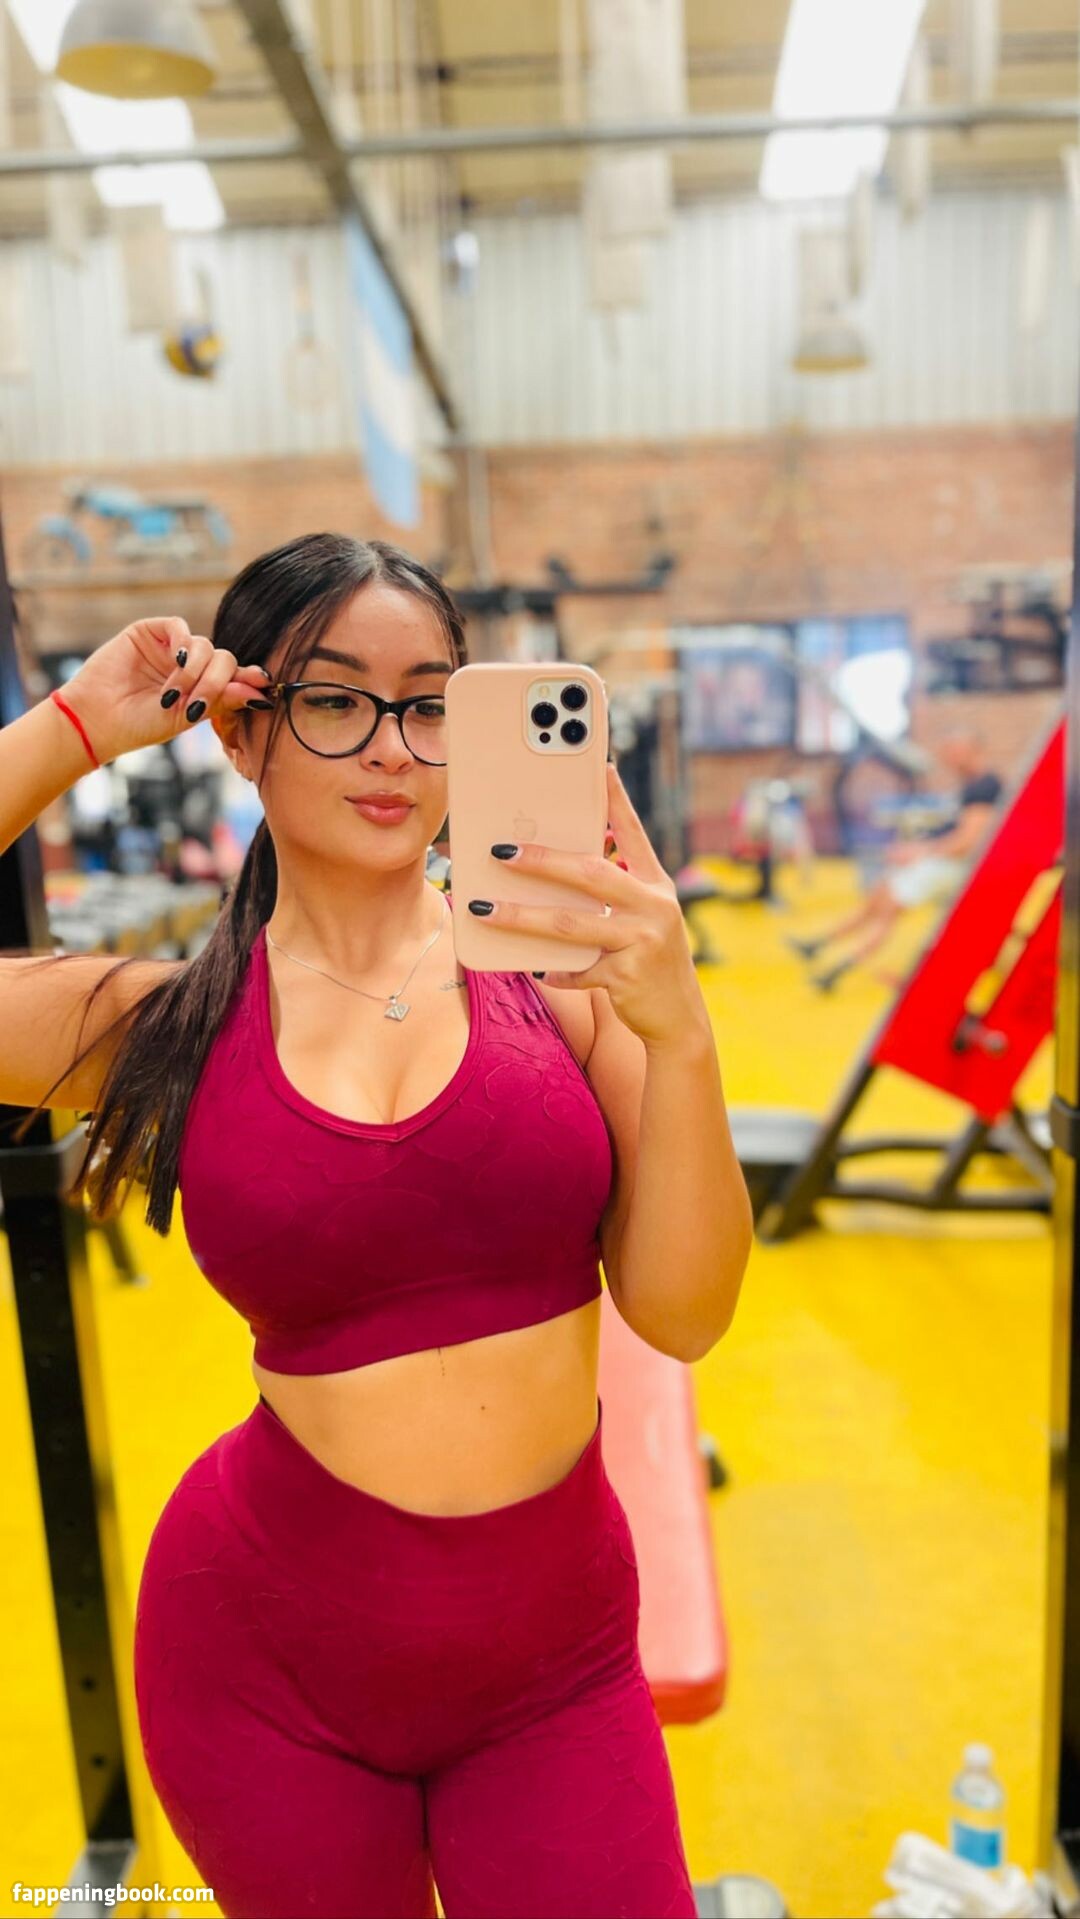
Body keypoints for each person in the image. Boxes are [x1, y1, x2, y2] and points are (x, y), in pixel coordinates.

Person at [1, 533, 753, 1919]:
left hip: (555, 1666)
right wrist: (72, 727)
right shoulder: (164, 1020)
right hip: (264, 1671)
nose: (392, 748)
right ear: (243, 730)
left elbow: (687, 1311)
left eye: (428, 703)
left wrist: (682, 1026)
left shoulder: (564, 982)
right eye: (336, 699)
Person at [787, 725, 1004, 992]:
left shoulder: (984, 787)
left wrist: (919, 852)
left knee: (886, 910)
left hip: (951, 866)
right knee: (877, 899)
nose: (948, 758)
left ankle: (839, 967)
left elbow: (968, 842)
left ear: (971, 750)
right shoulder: (972, 785)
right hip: (942, 860)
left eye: (953, 752)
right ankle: (820, 945)